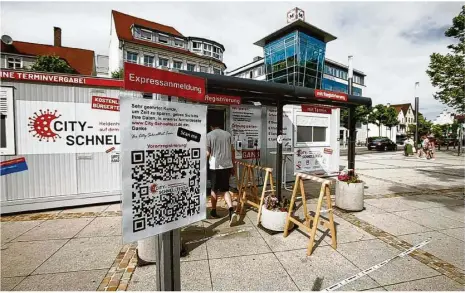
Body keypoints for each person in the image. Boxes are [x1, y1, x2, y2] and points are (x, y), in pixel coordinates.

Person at [206, 122, 238, 226]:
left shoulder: (209, 135)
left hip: (215, 167)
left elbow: (207, 153)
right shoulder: (228, 134)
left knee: (214, 189)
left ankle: (214, 211)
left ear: (211, 126)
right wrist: (233, 166)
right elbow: (233, 151)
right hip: (227, 166)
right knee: (225, 189)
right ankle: (231, 210)